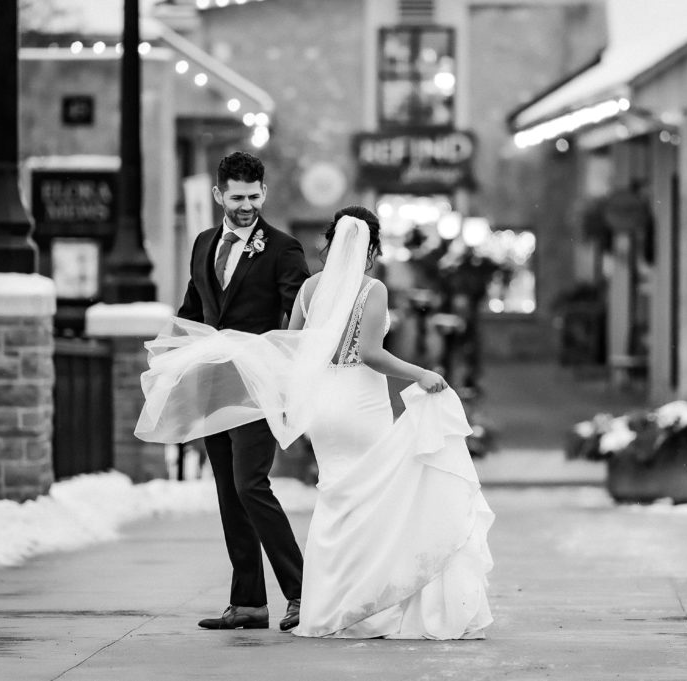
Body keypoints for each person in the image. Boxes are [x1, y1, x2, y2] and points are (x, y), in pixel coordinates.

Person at [136, 206, 493, 640]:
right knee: (375, 503)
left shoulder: (308, 289)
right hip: (361, 405)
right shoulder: (372, 290)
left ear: (330, 242)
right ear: (371, 249)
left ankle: (327, 606)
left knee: (335, 499)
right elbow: (371, 353)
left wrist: (288, 403)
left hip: (323, 408)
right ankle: (373, 604)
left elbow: (294, 349)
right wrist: (421, 373)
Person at [175, 151, 310, 632]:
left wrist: (287, 374)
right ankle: (249, 602)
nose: (247, 205)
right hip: (214, 382)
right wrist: (172, 356)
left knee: (252, 484)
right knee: (229, 492)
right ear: (219, 195)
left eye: (254, 196)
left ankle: (302, 592)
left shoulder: (283, 248)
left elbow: (296, 317)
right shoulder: (203, 243)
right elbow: (195, 307)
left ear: (264, 194)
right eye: (237, 197)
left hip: (259, 383)